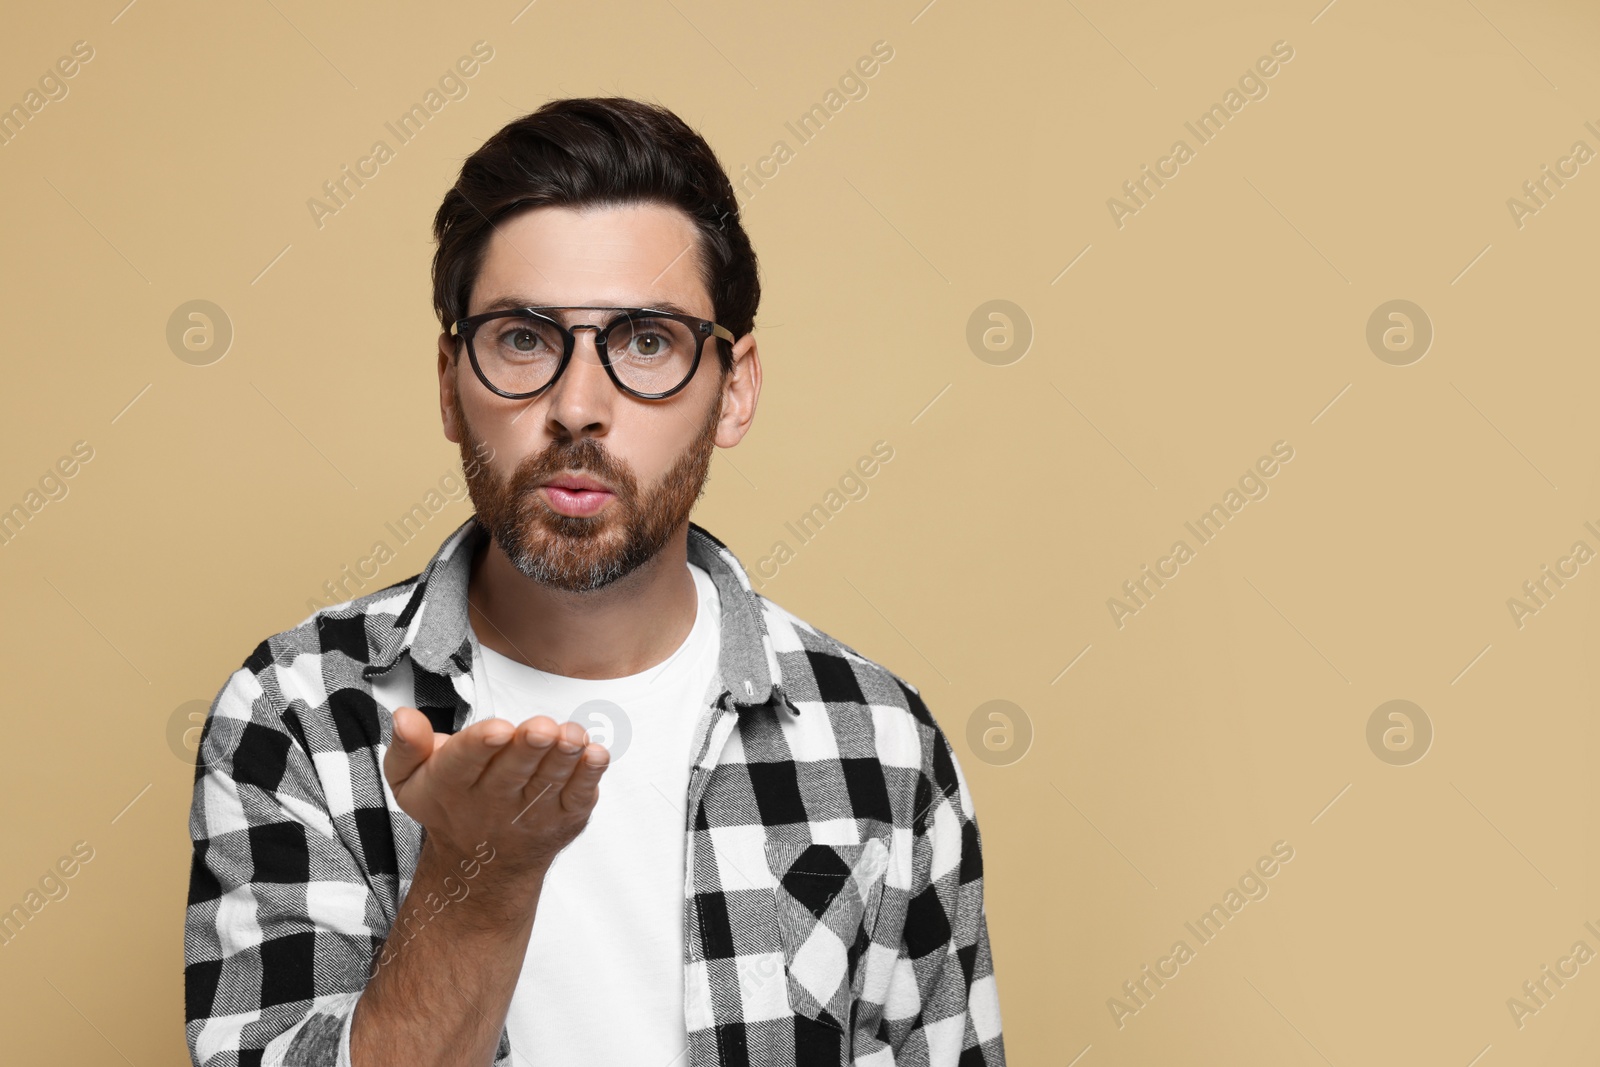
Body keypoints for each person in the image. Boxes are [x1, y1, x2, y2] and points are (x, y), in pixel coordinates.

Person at [183, 96, 1005, 1067]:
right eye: (525, 339)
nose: (579, 406)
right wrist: (477, 876)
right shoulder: (297, 718)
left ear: (732, 387)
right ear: (450, 381)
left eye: (647, 340)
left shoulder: (882, 744)